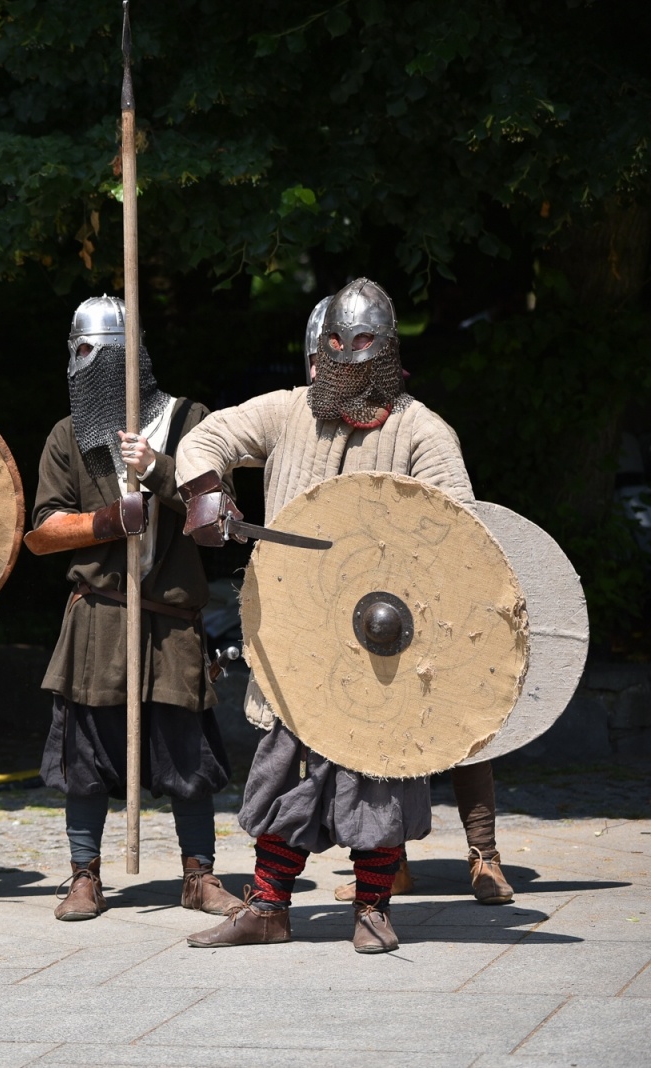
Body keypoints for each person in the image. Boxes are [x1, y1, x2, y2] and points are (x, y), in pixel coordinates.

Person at [176, 277, 474, 953]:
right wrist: (207, 493)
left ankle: (372, 906)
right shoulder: (287, 414)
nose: (347, 354)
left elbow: (461, 538)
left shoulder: (422, 432)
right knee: (281, 770)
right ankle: (269, 906)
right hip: (298, 633)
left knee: (378, 776)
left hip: (383, 642)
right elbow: (209, 437)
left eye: (363, 341)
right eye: (335, 342)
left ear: (389, 347)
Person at [20, 295, 236, 921]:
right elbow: (42, 532)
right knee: (85, 758)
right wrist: (113, 518)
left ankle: (198, 875)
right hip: (100, 620)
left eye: (95, 354)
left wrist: (162, 473)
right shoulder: (68, 436)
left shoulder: (192, 421)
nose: (83, 365)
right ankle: (84, 876)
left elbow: (220, 523)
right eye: (77, 352)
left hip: (169, 621)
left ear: (127, 357)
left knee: (186, 757)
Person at [301, 300, 514, 909]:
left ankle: (484, 855)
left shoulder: (424, 429)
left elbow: (462, 526)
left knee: (462, 729)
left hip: (431, 604)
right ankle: (389, 865)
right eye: (325, 357)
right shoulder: (316, 427)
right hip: (361, 609)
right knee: (378, 737)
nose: (331, 369)